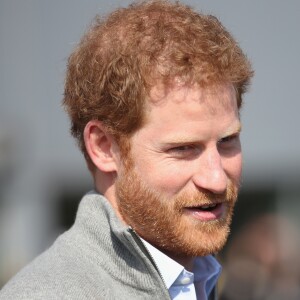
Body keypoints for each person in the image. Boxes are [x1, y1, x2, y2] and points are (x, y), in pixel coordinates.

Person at [0, 1, 253, 299]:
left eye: (227, 141)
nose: (217, 179)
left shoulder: (203, 281)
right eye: (183, 148)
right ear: (104, 147)